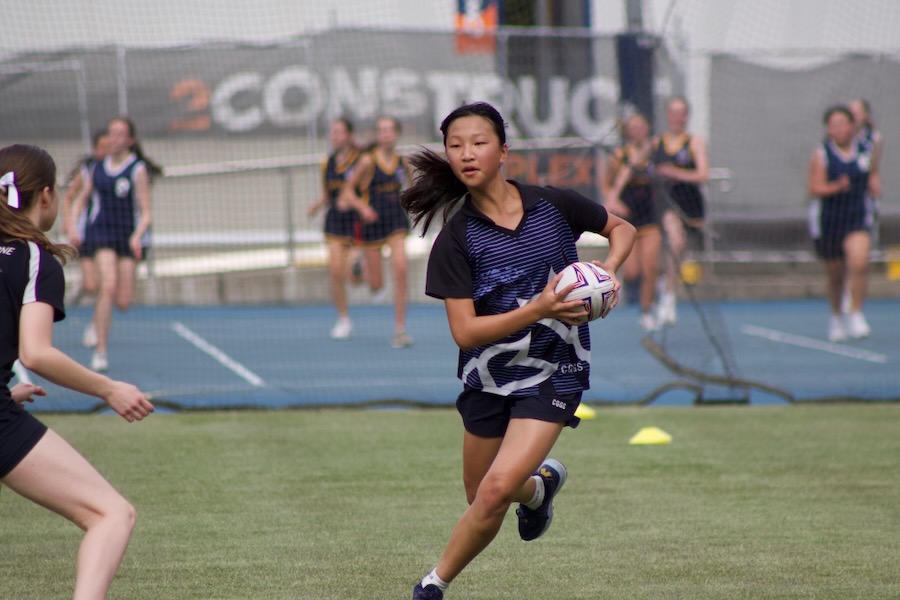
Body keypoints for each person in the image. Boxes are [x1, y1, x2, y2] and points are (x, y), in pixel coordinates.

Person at [399, 102, 636, 599]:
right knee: (482, 494)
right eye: (455, 146)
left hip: (556, 371)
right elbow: (466, 333)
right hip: (488, 378)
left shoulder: (553, 205)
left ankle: (432, 585)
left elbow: (623, 229)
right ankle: (539, 488)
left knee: (492, 494)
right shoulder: (456, 240)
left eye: (478, 143)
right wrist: (541, 307)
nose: (466, 154)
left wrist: (609, 271)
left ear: (504, 151)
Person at [0, 143, 155, 599]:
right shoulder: (33, 259)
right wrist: (109, 389)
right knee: (111, 514)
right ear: (47, 195)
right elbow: (37, 354)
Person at [69, 116, 161, 371]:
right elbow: (80, 200)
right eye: (111, 133)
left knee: (122, 301)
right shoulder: (96, 168)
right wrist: (73, 226)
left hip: (126, 237)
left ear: (130, 140)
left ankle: (96, 319)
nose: (115, 139)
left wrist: (137, 235)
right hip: (101, 234)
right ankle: (101, 351)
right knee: (107, 286)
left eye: (120, 134)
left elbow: (146, 212)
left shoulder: (137, 169)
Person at [341, 116, 414, 348]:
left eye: (390, 130)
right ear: (377, 134)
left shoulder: (402, 161)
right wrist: (362, 208)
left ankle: (400, 329)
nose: (386, 134)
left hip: (396, 221)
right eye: (382, 130)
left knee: (400, 268)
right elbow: (347, 191)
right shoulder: (367, 161)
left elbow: (413, 187)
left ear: (397, 133)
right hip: (373, 223)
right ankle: (360, 268)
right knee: (376, 286)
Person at [807, 105, 873, 341]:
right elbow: (814, 187)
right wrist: (836, 186)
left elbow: (873, 174)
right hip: (831, 219)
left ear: (852, 126)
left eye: (843, 124)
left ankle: (856, 312)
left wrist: (875, 184)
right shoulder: (822, 153)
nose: (839, 129)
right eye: (834, 125)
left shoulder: (865, 150)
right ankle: (836, 315)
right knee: (836, 274)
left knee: (859, 262)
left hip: (856, 216)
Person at [601, 112, 663, 331]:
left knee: (650, 267)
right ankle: (638, 288)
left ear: (647, 128)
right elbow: (606, 184)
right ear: (627, 131)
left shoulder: (655, 152)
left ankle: (647, 310)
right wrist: (614, 200)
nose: (637, 130)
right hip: (627, 221)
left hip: (650, 218)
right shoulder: (620, 155)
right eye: (632, 127)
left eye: (640, 126)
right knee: (632, 272)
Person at [652, 96, 709, 327]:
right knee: (675, 242)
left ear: (686, 116)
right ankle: (668, 299)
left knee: (678, 252)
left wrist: (675, 172)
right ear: (668, 115)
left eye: (681, 113)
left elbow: (703, 175)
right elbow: (635, 162)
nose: (677, 117)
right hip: (667, 203)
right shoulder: (657, 142)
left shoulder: (694, 142)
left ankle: (666, 284)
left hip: (689, 203)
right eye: (673, 112)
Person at [307, 118, 367, 339]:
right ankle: (343, 318)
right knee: (334, 271)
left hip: (356, 222)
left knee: (350, 273)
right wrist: (316, 205)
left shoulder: (361, 161)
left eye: (340, 132)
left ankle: (362, 271)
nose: (335, 136)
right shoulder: (328, 163)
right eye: (333, 132)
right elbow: (327, 193)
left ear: (349, 135)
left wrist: (354, 203)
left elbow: (366, 191)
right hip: (334, 221)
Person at [61, 130, 109, 318]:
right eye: (102, 147)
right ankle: (80, 288)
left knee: (105, 283)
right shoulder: (88, 171)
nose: (106, 151)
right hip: (86, 233)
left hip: (108, 234)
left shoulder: (117, 171)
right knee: (91, 285)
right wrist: (70, 224)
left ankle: (97, 322)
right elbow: (70, 199)